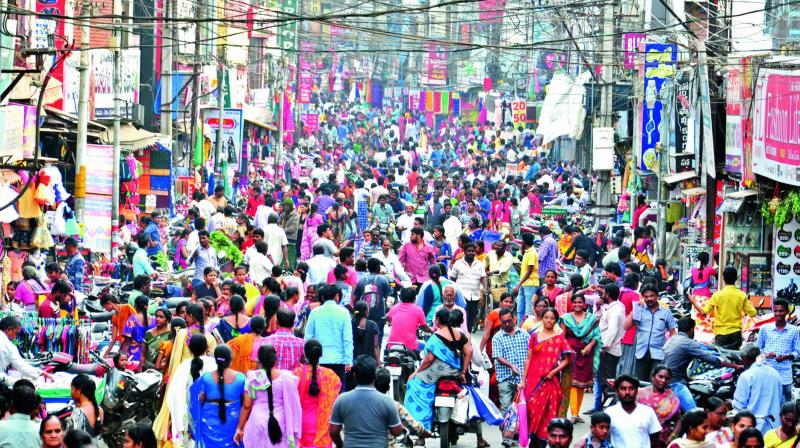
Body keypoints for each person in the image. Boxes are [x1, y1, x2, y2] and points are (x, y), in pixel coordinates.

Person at [404, 308, 472, 433]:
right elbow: (469, 352)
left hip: (435, 373)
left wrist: (416, 372)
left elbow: (429, 359)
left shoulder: (436, 336)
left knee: (413, 384)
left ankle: (421, 425)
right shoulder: (459, 334)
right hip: (454, 372)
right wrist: (463, 371)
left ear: (438, 320)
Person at [519, 307, 572, 447]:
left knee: (547, 413)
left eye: (552, 318)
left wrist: (553, 372)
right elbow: (528, 359)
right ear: (542, 319)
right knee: (531, 410)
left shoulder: (559, 338)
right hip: (533, 380)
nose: (549, 320)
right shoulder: (534, 336)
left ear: (556, 321)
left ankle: (541, 442)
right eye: (546, 317)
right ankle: (533, 440)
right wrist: (523, 381)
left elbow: (568, 359)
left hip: (550, 382)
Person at [662, 317, 740, 412]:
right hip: (675, 382)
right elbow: (712, 359)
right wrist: (735, 366)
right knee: (694, 413)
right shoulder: (689, 343)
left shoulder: (672, 340)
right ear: (691, 330)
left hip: (665, 378)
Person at [234, 344, 302, 448]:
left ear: (259, 360)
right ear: (275, 360)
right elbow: (293, 404)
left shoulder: (253, 378)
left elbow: (247, 405)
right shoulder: (287, 377)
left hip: (257, 423)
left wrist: (239, 428)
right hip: (281, 423)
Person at [330, 355, 403, 448]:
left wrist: (340, 444)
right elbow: (397, 431)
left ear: (354, 376)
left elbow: (333, 431)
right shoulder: (387, 402)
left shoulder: (341, 399)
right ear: (374, 376)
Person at [191, 345, 246, 448]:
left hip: (209, 425)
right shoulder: (241, 378)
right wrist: (241, 427)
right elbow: (246, 404)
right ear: (230, 360)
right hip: (233, 424)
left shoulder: (206, 378)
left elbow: (198, 402)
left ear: (215, 360)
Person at [689, 267, 756, 350]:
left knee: (721, 360)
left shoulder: (717, 295)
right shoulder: (742, 295)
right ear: (736, 278)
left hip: (721, 334)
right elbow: (753, 313)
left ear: (724, 279)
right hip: (736, 335)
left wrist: (691, 299)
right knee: (736, 360)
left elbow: (703, 312)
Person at [292, 339, 341, 447]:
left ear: (305, 354)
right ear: (321, 355)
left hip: (301, 422)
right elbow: (336, 395)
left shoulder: (297, 374)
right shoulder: (331, 376)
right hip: (323, 424)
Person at [561, 293, 601, 423]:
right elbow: (562, 337)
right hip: (571, 353)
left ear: (584, 304)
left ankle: (577, 413)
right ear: (571, 304)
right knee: (573, 382)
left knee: (582, 384)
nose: (577, 305)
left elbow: (597, 335)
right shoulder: (565, 318)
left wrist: (589, 346)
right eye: (575, 303)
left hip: (586, 353)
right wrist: (566, 351)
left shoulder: (592, 318)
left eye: (580, 302)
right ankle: (573, 414)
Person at [304, 284, 353, 390]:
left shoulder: (315, 312)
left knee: (321, 394)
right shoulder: (344, 313)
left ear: (322, 297)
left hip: (319, 360)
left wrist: (308, 358)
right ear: (336, 296)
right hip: (339, 361)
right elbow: (348, 339)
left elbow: (308, 337)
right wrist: (349, 360)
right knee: (337, 394)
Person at [625, 284, 677, 381]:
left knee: (656, 383)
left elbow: (673, 332)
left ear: (657, 296)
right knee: (640, 383)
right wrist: (635, 308)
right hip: (641, 353)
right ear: (643, 297)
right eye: (646, 296)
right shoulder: (639, 310)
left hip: (658, 354)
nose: (649, 299)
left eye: (652, 296)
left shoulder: (666, 312)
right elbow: (626, 326)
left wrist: (670, 349)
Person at [756, 298, 799, 404]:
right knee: (767, 401)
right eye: (775, 311)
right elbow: (757, 350)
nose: (778, 313)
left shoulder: (794, 330)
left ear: (787, 312)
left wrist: (787, 356)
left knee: (785, 403)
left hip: (785, 373)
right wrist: (766, 354)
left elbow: (797, 352)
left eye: (781, 311)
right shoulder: (764, 329)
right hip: (767, 371)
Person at [732, 344, 782, 434]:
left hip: (755, 427)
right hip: (775, 425)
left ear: (745, 359)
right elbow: (780, 399)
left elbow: (739, 405)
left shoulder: (746, 376)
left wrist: (732, 403)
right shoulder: (774, 373)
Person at [492, 307, 530, 416]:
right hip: (505, 378)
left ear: (514, 319)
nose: (507, 324)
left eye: (509, 321)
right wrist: (511, 366)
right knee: (506, 408)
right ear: (500, 322)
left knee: (522, 407)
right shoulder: (497, 337)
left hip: (522, 378)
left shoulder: (524, 334)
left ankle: (521, 431)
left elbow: (530, 353)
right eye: (504, 322)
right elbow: (498, 356)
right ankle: (506, 431)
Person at [606, 375, 662, 447]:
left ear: (636, 391)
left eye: (631, 388)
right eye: (623, 388)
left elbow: (655, 440)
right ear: (617, 391)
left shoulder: (648, 412)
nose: (627, 392)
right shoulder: (610, 413)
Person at [637, 365, 682, 448]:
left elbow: (679, 420)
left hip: (661, 440)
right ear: (653, 377)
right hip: (639, 437)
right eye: (660, 377)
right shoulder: (640, 394)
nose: (663, 380)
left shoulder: (672, 398)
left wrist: (673, 435)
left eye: (667, 378)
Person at [0, 316, 53, 382]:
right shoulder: (7, 345)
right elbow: (21, 366)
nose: (15, 337)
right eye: (16, 333)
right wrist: (41, 373)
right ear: (9, 329)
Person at [449, 242, 488, 332]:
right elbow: (452, 278)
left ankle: (468, 334)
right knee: (461, 316)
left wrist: (485, 288)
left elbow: (483, 277)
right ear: (464, 252)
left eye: (473, 251)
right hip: (461, 295)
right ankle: (459, 333)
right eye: (469, 251)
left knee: (471, 317)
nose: (471, 253)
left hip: (474, 295)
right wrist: (453, 291)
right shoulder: (458, 264)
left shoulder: (479, 264)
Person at [597, 284, 625, 410]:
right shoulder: (618, 306)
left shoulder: (615, 310)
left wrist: (604, 347)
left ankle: (608, 410)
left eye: (604, 292)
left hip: (609, 350)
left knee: (607, 382)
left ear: (607, 294)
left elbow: (612, 330)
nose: (602, 294)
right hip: (613, 348)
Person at [387, 287, 431, 351]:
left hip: (392, 345)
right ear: (414, 298)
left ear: (400, 297)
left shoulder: (393, 308)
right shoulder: (418, 310)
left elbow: (388, 318)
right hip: (410, 347)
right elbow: (424, 327)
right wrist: (432, 329)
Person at [513, 232, 541, 322]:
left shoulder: (532, 253)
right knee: (520, 309)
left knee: (528, 311)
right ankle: (519, 327)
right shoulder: (527, 252)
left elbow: (529, 271)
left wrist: (518, 284)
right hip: (524, 284)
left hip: (530, 284)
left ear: (524, 241)